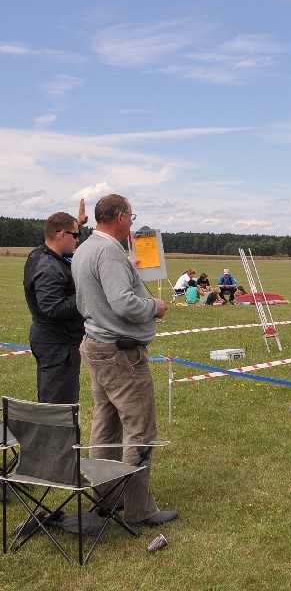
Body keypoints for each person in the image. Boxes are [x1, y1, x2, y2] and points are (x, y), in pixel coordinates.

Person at [72, 194, 177, 528]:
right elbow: (123, 303)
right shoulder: (108, 252)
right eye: (131, 217)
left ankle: (106, 496)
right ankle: (139, 509)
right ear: (119, 216)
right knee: (140, 428)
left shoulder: (85, 248)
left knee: (106, 423)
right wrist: (155, 307)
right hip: (120, 353)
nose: (132, 223)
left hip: (96, 345)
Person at [23, 211, 85, 403]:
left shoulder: (41, 253)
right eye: (75, 235)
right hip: (58, 346)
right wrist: (86, 295)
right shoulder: (49, 268)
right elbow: (52, 308)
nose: (77, 240)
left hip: (51, 341)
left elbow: (58, 232)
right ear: (62, 235)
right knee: (58, 407)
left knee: (50, 400)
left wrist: (76, 224)